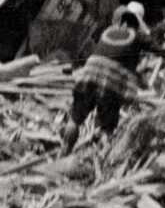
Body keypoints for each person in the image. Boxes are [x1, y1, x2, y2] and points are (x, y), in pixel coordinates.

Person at [61, 25, 142, 153]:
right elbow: (130, 74)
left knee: (75, 119)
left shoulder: (108, 32)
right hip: (110, 84)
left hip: (87, 76)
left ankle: (64, 152)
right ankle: (103, 158)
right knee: (107, 129)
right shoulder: (136, 40)